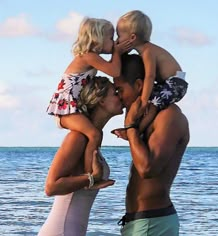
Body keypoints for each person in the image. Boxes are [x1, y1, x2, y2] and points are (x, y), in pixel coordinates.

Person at [114, 54, 190, 236]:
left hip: (153, 224)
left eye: (120, 90)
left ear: (139, 85)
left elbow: (147, 169)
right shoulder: (149, 120)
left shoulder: (169, 117)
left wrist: (131, 128)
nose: (118, 96)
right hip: (141, 222)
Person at [38, 76, 123, 236]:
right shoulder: (77, 137)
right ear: (101, 101)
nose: (120, 96)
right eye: (115, 93)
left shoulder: (95, 136)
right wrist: (92, 178)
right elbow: (51, 187)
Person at [46, 17, 131, 173]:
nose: (113, 43)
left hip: (70, 108)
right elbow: (114, 71)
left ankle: (92, 163)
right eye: (110, 38)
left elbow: (113, 68)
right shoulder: (88, 56)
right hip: (66, 109)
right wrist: (117, 52)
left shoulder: (90, 57)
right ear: (97, 39)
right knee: (93, 133)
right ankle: (90, 174)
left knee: (96, 133)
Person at [115, 10, 188, 132]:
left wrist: (144, 102)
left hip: (176, 83)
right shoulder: (144, 51)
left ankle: (138, 131)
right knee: (147, 100)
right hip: (166, 83)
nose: (117, 41)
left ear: (132, 37)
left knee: (153, 105)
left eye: (119, 36)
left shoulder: (147, 51)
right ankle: (134, 127)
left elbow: (150, 76)